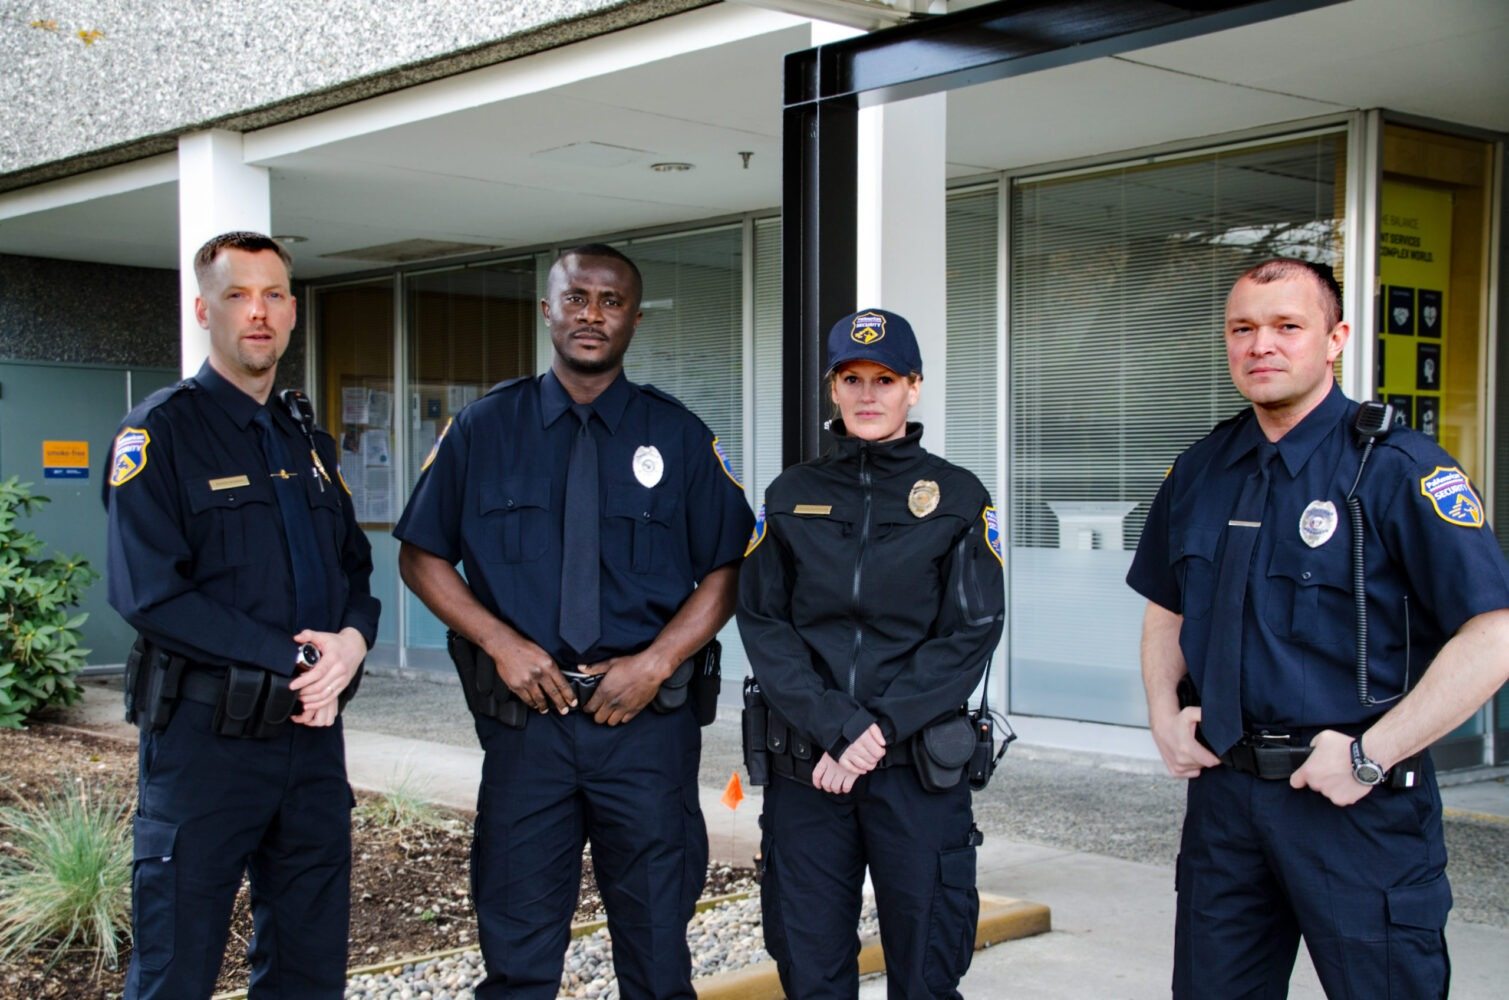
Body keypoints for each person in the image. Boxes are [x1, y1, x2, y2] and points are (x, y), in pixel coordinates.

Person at [1126, 258, 1509, 998]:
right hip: (1226, 807)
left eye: (1285, 327)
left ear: (1333, 339)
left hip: (1358, 810)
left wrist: (1370, 755)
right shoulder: (1201, 468)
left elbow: (1492, 635)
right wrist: (1162, 712)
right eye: (1242, 328)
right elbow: (1166, 605)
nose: (1260, 345)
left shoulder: (1399, 470)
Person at [394, 244, 754, 998]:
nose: (592, 314)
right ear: (547, 309)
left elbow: (727, 569)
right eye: (577, 298)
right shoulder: (484, 429)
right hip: (529, 727)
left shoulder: (678, 436)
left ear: (632, 317)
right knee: (518, 948)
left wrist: (656, 662)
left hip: (645, 727)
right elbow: (421, 556)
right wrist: (499, 642)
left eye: (611, 301)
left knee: (657, 947)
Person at [104, 231, 380, 998]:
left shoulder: (307, 439)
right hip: (205, 750)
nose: (257, 313)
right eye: (236, 295)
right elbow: (149, 593)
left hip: (311, 749)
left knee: (308, 968)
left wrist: (353, 643)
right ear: (203, 310)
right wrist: (297, 661)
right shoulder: (157, 434)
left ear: (291, 312)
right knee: (174, 970)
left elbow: (355, 569)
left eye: (272, 295)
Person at [737, 308, 1006, 999]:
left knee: (926, 972)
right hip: (811, 773)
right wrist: (838, 726)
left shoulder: (957, 496)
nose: (866, 394)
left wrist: (879, 727)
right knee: (810, 971)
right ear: (831, 389)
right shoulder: (790, 496)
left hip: (914, 775)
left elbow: (971, 629)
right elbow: (764, 623)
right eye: (850, 378)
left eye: (884, 379)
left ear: (913, 388)